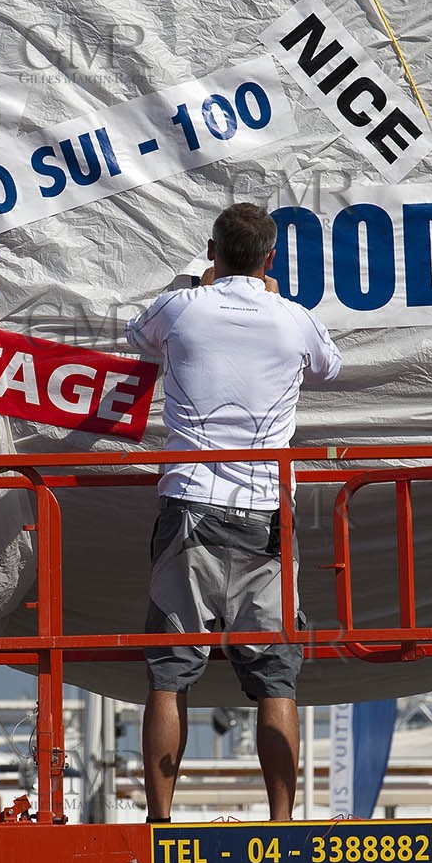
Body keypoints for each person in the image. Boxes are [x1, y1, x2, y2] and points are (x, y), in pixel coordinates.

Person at [125, 202, 342, 822]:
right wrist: (272, 299)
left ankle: (160, 821)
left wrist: (197, 283)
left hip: (188, 506)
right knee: (276, 677)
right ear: (271, 259)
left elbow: (136, 336)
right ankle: (281, 822)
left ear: (211, 251)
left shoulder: (181, 307)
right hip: (267, 517)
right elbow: (330, 366)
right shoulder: (293, 319)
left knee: (169, 673)